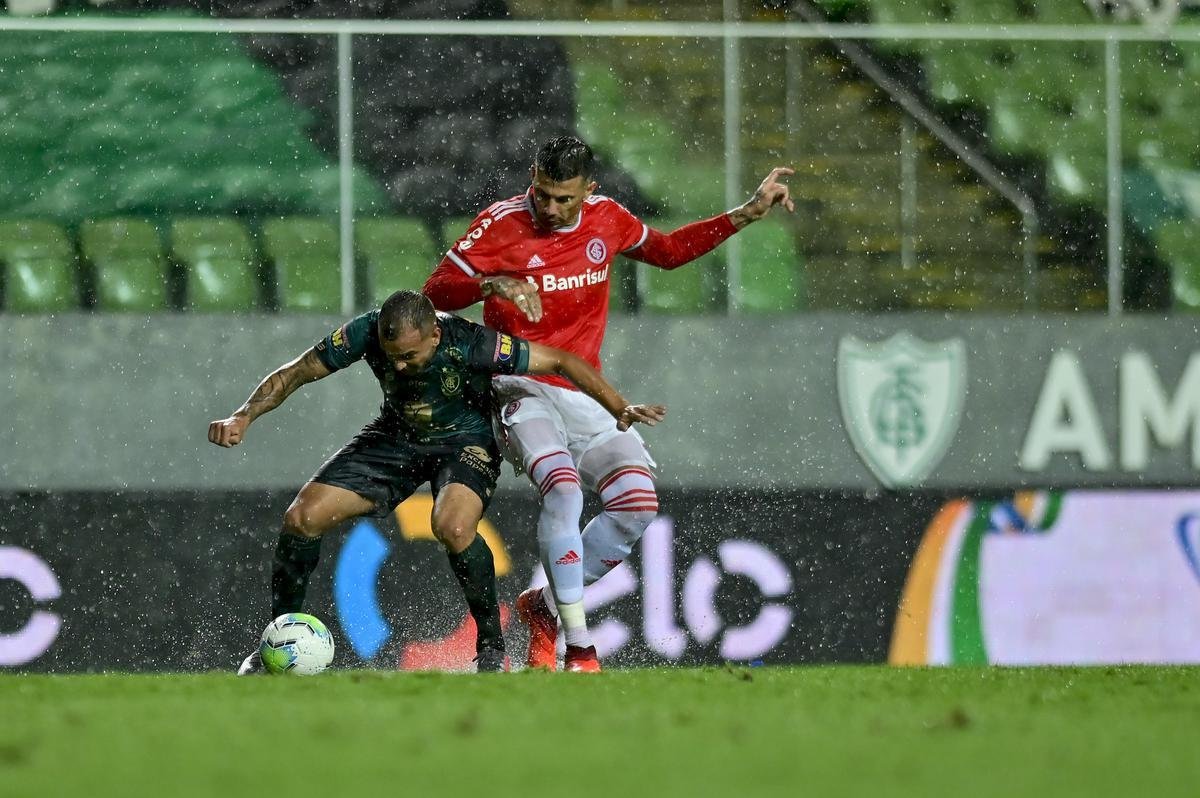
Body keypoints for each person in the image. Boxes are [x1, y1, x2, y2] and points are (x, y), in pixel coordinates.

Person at [423, 135, 793, 671]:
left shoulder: (607, 219)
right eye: (542, 193)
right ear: (532, 177)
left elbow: (667, 253)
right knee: (563, 487)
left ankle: (545, 608)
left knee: (637, 505)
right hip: (519, 387)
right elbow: (434, 291)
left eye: (563, 199)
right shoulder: (501, 223)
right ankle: (579, 647)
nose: (549, 208)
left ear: (589, 191)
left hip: (585, 393)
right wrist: (490, 284)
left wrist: (746, 214)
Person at [208, 289, 665, 674]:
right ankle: (276, 644)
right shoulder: (366, 331)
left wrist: (617, 406)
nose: (401, 367)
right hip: (396, 438)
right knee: (301, 518)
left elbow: (561, 360)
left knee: (453, 525)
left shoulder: (472, 343)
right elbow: (298, 371)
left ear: (436, 334)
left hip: (466, 442)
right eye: (393, 358)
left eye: (411, 355)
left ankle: (491, 648)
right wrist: (244, 415)